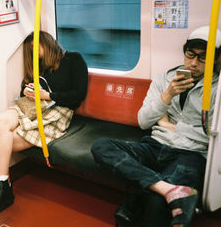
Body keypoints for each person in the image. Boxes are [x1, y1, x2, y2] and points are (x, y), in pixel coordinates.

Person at [91, 26, 221, 227]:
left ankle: (139, 201)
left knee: (154, 202)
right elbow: (143, 121)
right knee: (101, 146)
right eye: (190, 55)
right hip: (155, 145)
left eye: (203, 58)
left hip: (190, 154)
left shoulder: (217, 91)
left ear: (216, 59)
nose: (194, 63)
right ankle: (166, 188)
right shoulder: (164, 80)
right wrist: (167, 96)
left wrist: (173, 127)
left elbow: (211, 136)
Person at [0, 31, 88, 217]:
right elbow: (25, 89)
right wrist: (28, 90)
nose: (35, 53)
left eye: (36, 47)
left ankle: (3, 191)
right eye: (31, 51)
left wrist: (48, 96)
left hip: (57, 112)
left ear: (47, 43)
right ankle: (3, 186)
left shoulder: (73, 59)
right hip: (32, 107)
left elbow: (79, 94)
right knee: (0, 120)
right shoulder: (38, 66)